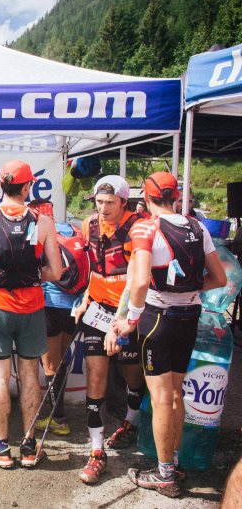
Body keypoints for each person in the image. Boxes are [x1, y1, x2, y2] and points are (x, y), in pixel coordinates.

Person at [114, 172, 226, 497]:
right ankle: (173, 463)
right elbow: (218, 278)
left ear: (146, 199)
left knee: (162, 398)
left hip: (157, 318)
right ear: (175, 196)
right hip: (188, 316)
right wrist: (188, 288)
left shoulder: (146, 227)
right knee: (177, 393)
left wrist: (130, 319)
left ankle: (164, 475)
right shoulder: (197, 226)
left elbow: (139, 281)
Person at [0, 160, 61, 469]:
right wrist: (32, 276)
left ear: (0, 185)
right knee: (30, 374)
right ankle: (30, 447)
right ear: (27, 187)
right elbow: (56, 271)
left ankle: (2, 448)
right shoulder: (42, 221)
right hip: (32, 306)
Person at [72, 175, 148, 485]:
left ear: (123, 203)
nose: (103, 208)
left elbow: (135, 280)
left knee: (132, 373)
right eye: (99, 202)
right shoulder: (89, 225)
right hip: (98, 309)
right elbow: (94, 267)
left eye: (109, 203)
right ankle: (96, 450)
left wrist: (122, 324)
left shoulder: (138, 228)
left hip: (128, 314)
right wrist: (84, 300)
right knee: (96, 375)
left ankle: (131, 421)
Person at [30, 199, 84, 437]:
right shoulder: (72, 229)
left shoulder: (39, 233)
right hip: (74, 306)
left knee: (50, 365)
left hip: (50, 305)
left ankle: (58, 419)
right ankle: (58, 415)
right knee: (61, 361)